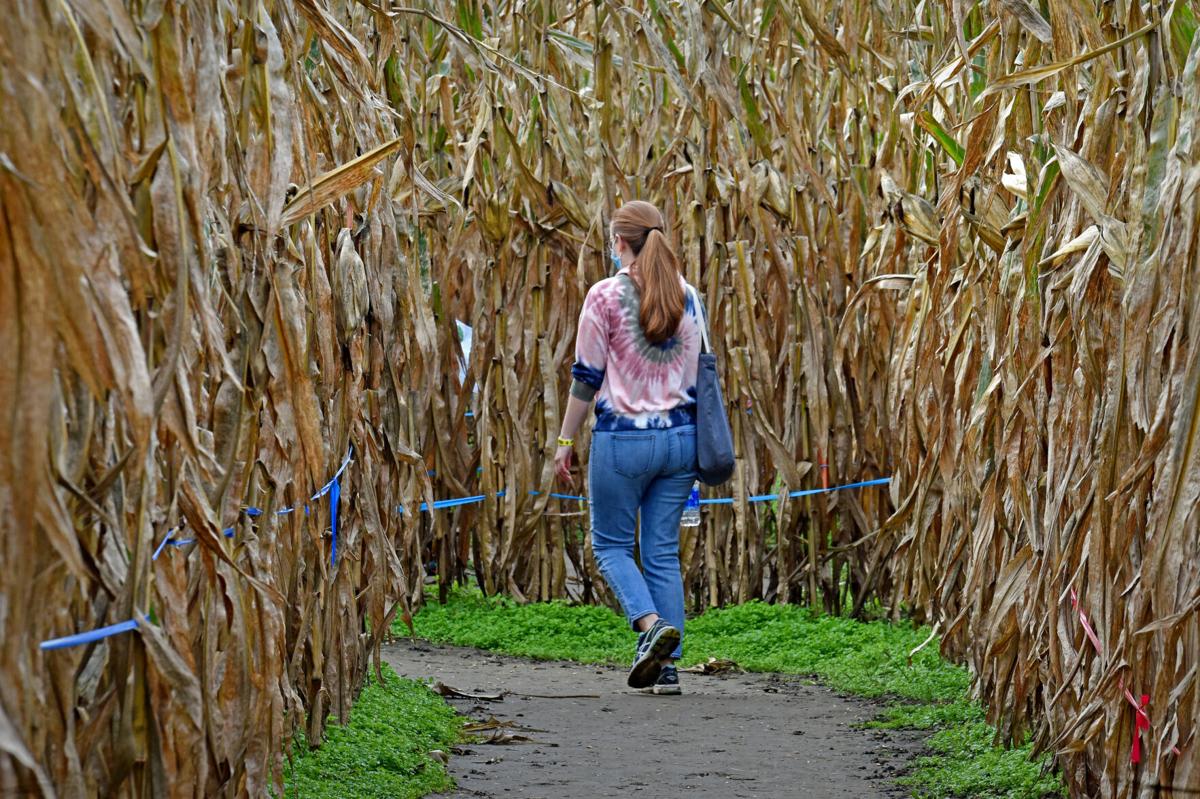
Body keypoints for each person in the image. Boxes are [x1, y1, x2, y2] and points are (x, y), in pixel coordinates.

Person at [554, 200, 704, 695]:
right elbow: (700, 375)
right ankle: (668, 670)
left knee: (611, 545)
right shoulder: (690, 297)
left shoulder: (604, 296)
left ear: (619, 242)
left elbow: (585, 379)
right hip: (682, 440)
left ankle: (649, 626)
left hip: (624, 441)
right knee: (661, 551)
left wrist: (565, 440)